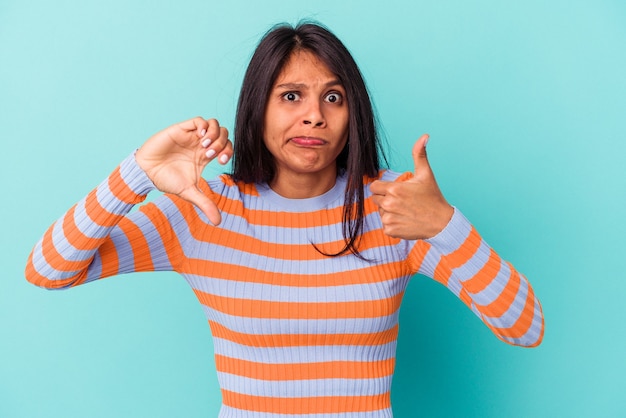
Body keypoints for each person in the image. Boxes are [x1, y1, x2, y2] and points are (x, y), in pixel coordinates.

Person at [25, 22, 544, 417]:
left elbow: (525, 328)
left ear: (351, 114)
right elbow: (48, 269)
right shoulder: (205, 211)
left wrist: (446, 225)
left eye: (333, 97)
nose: (314, 114)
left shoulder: (394, 208)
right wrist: (137, 172)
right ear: (259, 109)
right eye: (291, 96)